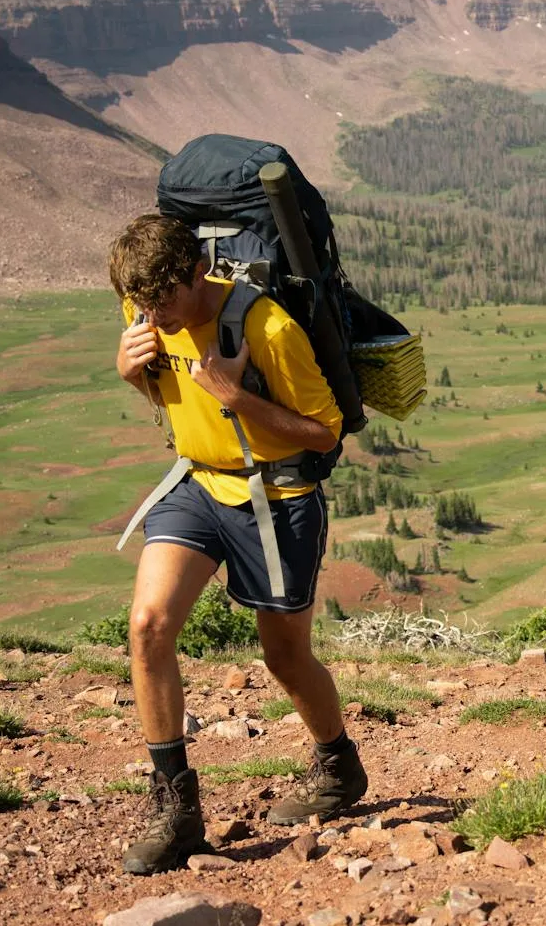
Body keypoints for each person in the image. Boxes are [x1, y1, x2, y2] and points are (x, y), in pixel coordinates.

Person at [108, 214, 366, 875]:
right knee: (147, 626)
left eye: (166, 300)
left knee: (283, 656)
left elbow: (325, 432)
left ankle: (338, 765)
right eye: (141, 303)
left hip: (276, 498)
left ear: (200, 273)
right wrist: (129, 370)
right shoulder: (145, 311)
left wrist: (234, 395)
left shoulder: (266, 327)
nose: (154, 316)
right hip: (197, 486)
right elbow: (164, 395)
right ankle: (177, 811)